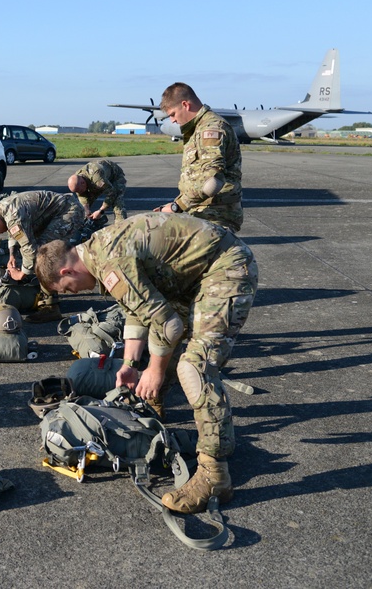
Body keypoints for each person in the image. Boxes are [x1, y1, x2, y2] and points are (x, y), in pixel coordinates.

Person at [35, 212, 257, 513]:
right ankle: (157, 409)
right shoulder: (99, 251)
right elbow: (136, 309)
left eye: (69, 290)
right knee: (168, 354)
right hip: (193, 274)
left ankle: (214, 474)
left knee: (194, 366)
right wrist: (129, 363)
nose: (79, 292)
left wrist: (154, 370)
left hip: (224, 267)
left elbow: (168, 326)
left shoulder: (110, 261)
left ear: (66, 273)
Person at [0, 190, 85, 322]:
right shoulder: (1, 210)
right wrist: (12, 255)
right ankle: (46, 290)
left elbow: (30, 250)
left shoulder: (13, 215)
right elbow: (12, 231)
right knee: (35, 253)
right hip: (51, 215)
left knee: (44, 254)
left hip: (68, 212)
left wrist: (22, 274)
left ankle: (51, 308)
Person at [155, 83, 243, 232]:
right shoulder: (198, 128)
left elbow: (212, 182)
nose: (173, 120)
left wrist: (177, 206)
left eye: (172, 114)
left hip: (215, 216)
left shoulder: (211, 128)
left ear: (185, 105)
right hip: (201, 214)